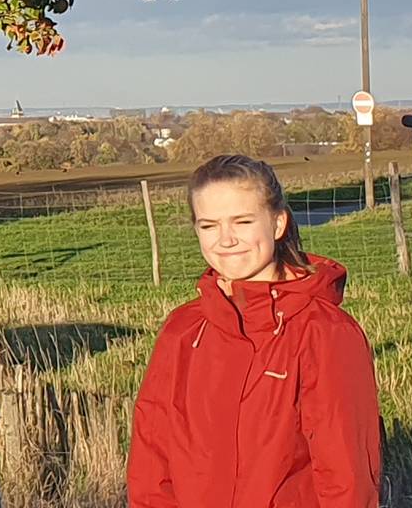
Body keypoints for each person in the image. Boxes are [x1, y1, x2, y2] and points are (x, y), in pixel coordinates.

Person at [128, 154, 382, 508]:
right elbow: (152, 457)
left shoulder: (325, 333)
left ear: (278, 224)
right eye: (209, 225)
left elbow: (346, 476)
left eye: (243, 221)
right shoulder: (183, 331)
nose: (226, 239)